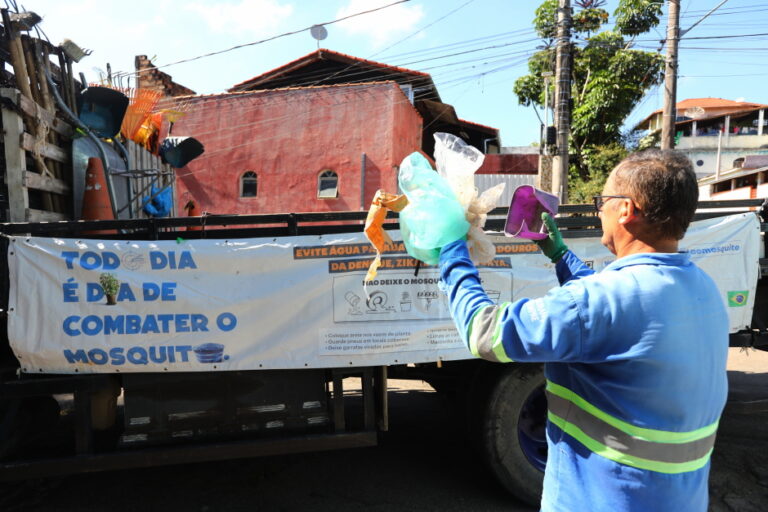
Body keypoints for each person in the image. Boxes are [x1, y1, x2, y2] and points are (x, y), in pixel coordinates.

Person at [438, 149, 728, 511]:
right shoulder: (704, 289)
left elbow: (484, 332)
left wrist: (450, 248)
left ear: (626, 209)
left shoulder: (603, 301)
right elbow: (614, 315)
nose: (599, 210)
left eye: (601, 202)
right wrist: (560, 256)